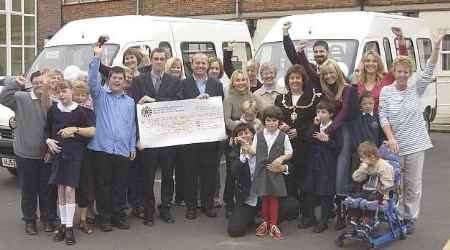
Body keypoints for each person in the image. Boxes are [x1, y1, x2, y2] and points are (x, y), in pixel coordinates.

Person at [379, 32, 443, 235]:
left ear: (410, 72)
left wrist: (436, 46)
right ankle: (397, 215)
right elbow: (383, 117)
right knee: (396, 183)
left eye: (406, 72)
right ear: (393, 72)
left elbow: (431, 66)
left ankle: (410, 217)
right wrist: (390, 138)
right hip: (396, 145)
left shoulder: (416, 87)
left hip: (416, 144)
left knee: (413, 184)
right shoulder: (386, 91)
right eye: (399, 71)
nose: (403, 75)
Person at [0, 72, 57, 235]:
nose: (39, 84)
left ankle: (47, 219)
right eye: (36, 82)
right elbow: (3, 97)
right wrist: (14, 82)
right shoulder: (21, 98)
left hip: (45, 155)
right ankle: (30, 220)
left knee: (46, 190)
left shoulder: (50, 102)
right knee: (28, 190)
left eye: (42, 82)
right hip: (25, 154)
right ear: (31, 83)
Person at [129, 47, 181, 226]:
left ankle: (165, 207)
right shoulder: (138, 80)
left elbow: (178, 105)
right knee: (147, 176)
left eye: (162, 59)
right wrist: (139, 103)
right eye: (156, 59)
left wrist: (157, 103)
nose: (159, 62)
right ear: (150, 60)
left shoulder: (174, 81)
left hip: (167, 138)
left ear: (165, 61)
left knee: (167, 175)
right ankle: (148, 210)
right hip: (148, 138)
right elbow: (132, 109)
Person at [88, 44, 137, 232]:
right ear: (108, 80)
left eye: (120, 78)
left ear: (126, 82)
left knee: (120, 186)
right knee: (103, 186)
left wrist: (132, 146)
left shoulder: (130, 101)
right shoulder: (100, 96)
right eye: (114, 77)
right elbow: (92, 80)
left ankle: (119, 216)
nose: (117, 81)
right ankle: (105, 217)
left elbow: (131, 126)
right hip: (102, 149)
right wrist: (96, 57)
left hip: (123, 150)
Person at [45, 80, 95, 245]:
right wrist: (48, 141)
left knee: (69, 190)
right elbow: (47, 129)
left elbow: (91, 132)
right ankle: (63, 225)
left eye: (64, 91)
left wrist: (74, 131)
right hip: (58, 155)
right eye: (58, 91)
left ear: (71, 91)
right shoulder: (53, 110)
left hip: (74, 155)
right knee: (60, 191)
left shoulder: (80, 112)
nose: (61, 94)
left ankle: (69, 229)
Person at [227, 123, 298, 238]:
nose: (244, 136)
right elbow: (234, 171)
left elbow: (291, 166)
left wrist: (283, 168)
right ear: (237, 138)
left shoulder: (264, 147)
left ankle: (271, 222)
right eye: (241, 134)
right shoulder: (235, 153)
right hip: (249, 199)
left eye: (247, 133)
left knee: (292, 206)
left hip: (269, 194)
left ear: (253, 135)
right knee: (235, 230)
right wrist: (244, 155)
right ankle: (254, 218)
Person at [178, 53, 224, 219]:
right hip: (190, 138)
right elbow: (179, 107)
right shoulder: (183, 84)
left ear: (207, 64)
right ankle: (191, 207)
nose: (200, 66)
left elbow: (220, 109)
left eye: (203, 63)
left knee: (209, 174)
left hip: (210, 138)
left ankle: (208, 205)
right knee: (190, 173)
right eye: (197, 63)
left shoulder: (216, 84)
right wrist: (195, 103)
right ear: (191, 64)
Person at [274, 64, 320, 204]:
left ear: (303, 80)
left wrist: (299, 131)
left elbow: (315, 122)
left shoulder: (313, 99)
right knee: (289, 177)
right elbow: (275, 118)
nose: (295, 81)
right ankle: (292, 207)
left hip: (305, 145)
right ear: (288, 81)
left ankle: (306, 210)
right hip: (286, 145)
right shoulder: (280, 99)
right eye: (292, 78)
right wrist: (282, 125)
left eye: (297, 78)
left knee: (305, 176)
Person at [251, 106, 293, 240]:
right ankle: (265, 223)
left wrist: (281, 159)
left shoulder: (284, 136)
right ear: (264, 121)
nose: (271, 123)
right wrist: (245, 146)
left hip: (275, 171)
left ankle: (274, 224)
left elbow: (289, 152)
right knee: (264, 197)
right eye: (268, 120)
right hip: (262, 171)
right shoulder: (258, 135)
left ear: (279, 122)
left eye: (274, 120)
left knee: (274, 198)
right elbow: (253, 150)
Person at [300, 100, 341, 233]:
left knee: (325, 193)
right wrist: (314, 126)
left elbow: (338, 148)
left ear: (331, 114)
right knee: (309, 190)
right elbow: (307, 139)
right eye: (318, 112)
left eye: (323, 112)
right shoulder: (316, 126)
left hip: (327, 165)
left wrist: (328, 140)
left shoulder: (335, 127)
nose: (320, 114)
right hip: (313, 163)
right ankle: (311, 218)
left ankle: (324, 221)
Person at [223, 70, 257, 217]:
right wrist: (241, 126)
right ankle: (229, 203)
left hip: (251, 137)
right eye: (238, 80)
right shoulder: (229, 99)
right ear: (233, 82)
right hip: (235, 139)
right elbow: (227, 121)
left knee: (249, 172)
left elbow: (257, 114)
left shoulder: (252, 96)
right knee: (232, 173)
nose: (241, 82)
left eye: (243, 79)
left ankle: (248, 202)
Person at [356, 27, 409, 112]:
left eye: (374, 61)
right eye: (368, 61)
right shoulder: (358, 82)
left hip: (383, 123)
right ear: (363, 63)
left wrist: (400, 39)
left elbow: (403, 63)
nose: (371, 64)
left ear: (378, 64)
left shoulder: (386, 79)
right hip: (363, 123)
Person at [72, 80, 96, 234]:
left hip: (86, 153)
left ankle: (82, 220)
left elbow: (92, 132)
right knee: (66, 188)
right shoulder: (65, 110)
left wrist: (75, 130)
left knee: (84, 187)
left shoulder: (90, 112)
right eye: (77, 95)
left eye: (83, 95)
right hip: (68, 154)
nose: (80, 98)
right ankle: (66, 222)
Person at [164, 57, 185, 206]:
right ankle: (168, 200)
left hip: (183, 131)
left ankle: (180, 196)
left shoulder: (185, 83)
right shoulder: (164, 83)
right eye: (173, 67)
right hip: (166, 133)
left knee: (182, 167)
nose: (176, 70)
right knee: (168, 168)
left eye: (178, 67)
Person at [282, 21, 328, 91]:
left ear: (327, 52)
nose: (318, 54)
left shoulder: (333, 69)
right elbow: (293, 56)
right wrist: (285, 34)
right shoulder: (310, 67)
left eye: (321, 51)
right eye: (316, 52)